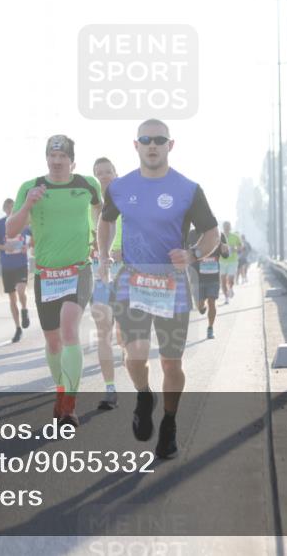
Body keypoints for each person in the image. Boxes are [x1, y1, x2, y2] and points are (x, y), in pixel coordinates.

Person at [97, 119, 219, 459]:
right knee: (134, 355)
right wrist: (105, 254)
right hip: (133, 280)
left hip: (172, 283)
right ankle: (143, 394)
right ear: (135, 145)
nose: (153, 145)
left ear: (170, 145)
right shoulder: (119, 188)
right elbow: (105, 221)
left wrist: (193, 254)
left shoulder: (188, 188)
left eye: (159, 140)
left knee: (170, 363)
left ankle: (169, 423)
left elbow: (212, 233)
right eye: (146, 140)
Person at [6, 135, 101, 427]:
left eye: (63, 157)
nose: (57, 161)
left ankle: (68, 404)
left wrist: (96, 237)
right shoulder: (30, 187)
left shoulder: (87, 184)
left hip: (78, 270)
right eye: (52, 156)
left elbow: (100, 209)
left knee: (70, 328)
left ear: (73, 161)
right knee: (52, 341)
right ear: (46, 158)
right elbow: (11, 230)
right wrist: (28, 205)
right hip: (47, 275)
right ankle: (61, 389)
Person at [89, 157, 124, 410]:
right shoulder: (91, 207)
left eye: (108, 172)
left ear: (116, 173)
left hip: (127, 271)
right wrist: (95, 251)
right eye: (99, 173)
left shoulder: (127, 201)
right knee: (104, 330)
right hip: (100, 272)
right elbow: (89, 237)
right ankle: (110, 388)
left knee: (124, 332)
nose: (103, 176)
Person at [0, 198, 31, 343]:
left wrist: (28, 246)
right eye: (7, 207)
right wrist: (4, 247)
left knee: (21, 291)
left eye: (12, 207)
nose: (10, 209)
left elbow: (35, 237)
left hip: (21, 263)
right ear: (4, 209)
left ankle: (25, 309)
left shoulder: (23, 222)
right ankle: (18, 328)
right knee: (12, 298)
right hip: (7, 265)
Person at [188, 227, 229, 339]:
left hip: (213, 276)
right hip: (197, 277)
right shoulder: (191, 234)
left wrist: (225, 250)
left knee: (212, 302)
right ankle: (201, 306)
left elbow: (225, 254)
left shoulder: (219, 234)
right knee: (200, 305)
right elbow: (185, 253)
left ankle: (210, 328)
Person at [219, 221, 241, 304]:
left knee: (231, 279)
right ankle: (226, 297)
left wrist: (234, 248)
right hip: (222, 261)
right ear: (223, 227)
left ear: (230, 227)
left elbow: (240, 247)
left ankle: (231, 288)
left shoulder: (235, 236)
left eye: (228, 226)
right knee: (223, 281)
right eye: (225, 226)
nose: (227, 228)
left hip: (232, 261)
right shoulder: (219, 237)